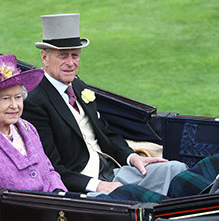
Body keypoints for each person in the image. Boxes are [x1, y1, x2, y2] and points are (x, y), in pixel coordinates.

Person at [22, 13, 187, 195]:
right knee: (137, 198)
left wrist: (132, 157)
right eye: (63, 56)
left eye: (75, 55)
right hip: (86, 188)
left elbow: (106, 132)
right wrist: (97, 185)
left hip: (115, 171)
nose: (71, 63)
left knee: (175, 170)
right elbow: (51, 167)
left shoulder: (78, 85)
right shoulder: (34, 102)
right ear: (45, 57)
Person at [0, 54, 67, 193]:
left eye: (18, 97)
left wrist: (59, 193)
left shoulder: (27, 127)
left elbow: (49, 170)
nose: (14, 105)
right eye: (6, 98)